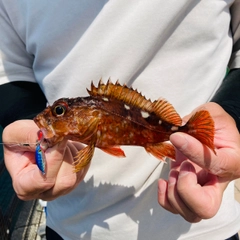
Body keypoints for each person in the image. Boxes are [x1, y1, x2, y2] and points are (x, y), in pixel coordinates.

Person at [0, 1, 240, 239]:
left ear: (90, 117)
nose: (49, 117)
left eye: (60, 111)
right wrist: (24, 120)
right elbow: (8, 71)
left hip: (205, 225)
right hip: (68, 228)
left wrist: (232, 110)